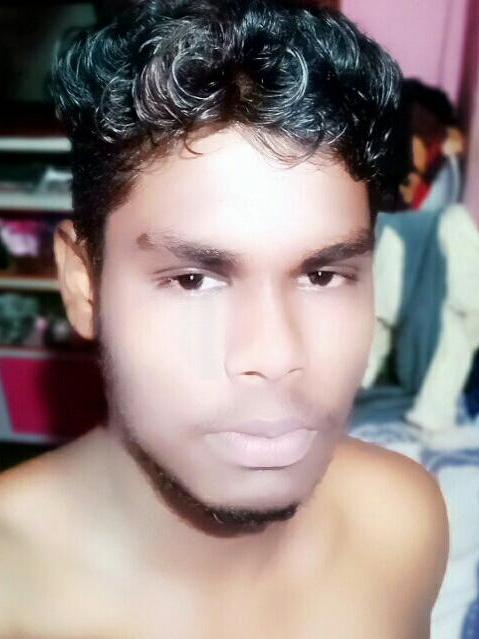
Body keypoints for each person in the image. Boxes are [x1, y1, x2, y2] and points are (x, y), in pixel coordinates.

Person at [0, 1, 448, 636]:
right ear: (84, 286)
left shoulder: (404, 523)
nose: (275, 354)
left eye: (323, 275)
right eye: (193, 280)